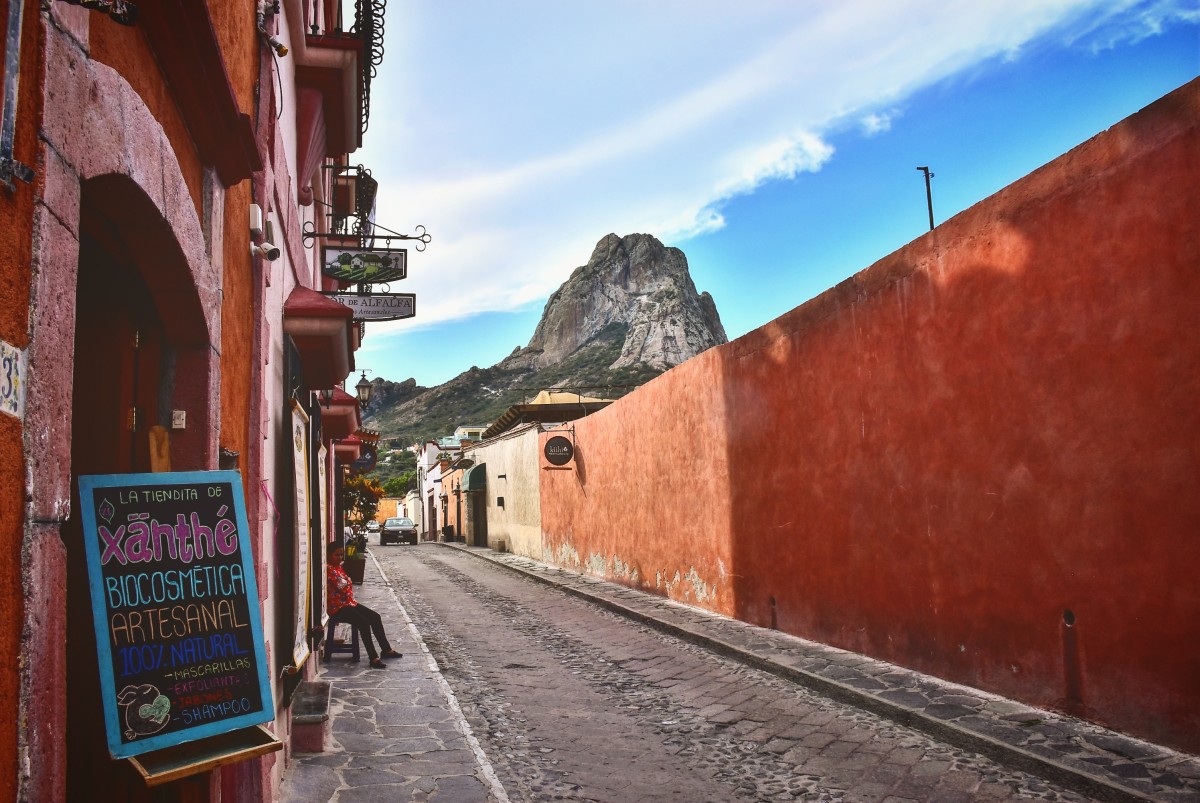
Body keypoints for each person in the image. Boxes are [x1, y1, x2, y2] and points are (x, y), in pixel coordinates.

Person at [326, 542, 402, 668]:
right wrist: (348, 581)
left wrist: (347, 581)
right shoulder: (329, 569)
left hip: (349, 603)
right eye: (336, 555)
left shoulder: (337, 567)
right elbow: (343, 587)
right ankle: (373, 658)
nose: (339, 558)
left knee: (375, 617)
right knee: (364, 623)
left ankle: (386, 650)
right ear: (329, 555)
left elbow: (346, 583)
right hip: (338, 607)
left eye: (341, 555)